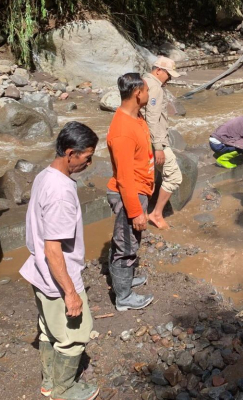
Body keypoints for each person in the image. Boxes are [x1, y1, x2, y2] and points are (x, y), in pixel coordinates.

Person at [20, 122, 100, 400]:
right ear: (70, 153)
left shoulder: (46, 174)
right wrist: (71, 293)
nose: (90, 162)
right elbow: (54, 250)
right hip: (57, 277)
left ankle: (49, 383)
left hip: (39, 273)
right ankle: (63, 390)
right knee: (74, 336)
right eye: (87, 156)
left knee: (48, 330)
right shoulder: (62, 193)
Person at [106, 73, 155, 311]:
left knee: (129, 240)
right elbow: (124, 178)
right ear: (137, 94)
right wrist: (135, 211)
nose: (148, 94)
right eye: (146, 90)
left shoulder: (135, 117)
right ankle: (123, 296)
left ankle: (123, 280)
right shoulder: (123, 130)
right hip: (130, 193)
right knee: (126, 245)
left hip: (138, 189)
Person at [141, 56, 183, 230]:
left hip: (144, 138)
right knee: (174, 177)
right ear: (158, 70)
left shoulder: (142, 82)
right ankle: (156, 214)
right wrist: (158, 147)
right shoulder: (155, 88)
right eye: (168, 74)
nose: (170, 78)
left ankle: (144, 210)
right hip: (156, 141)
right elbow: (152, 118)